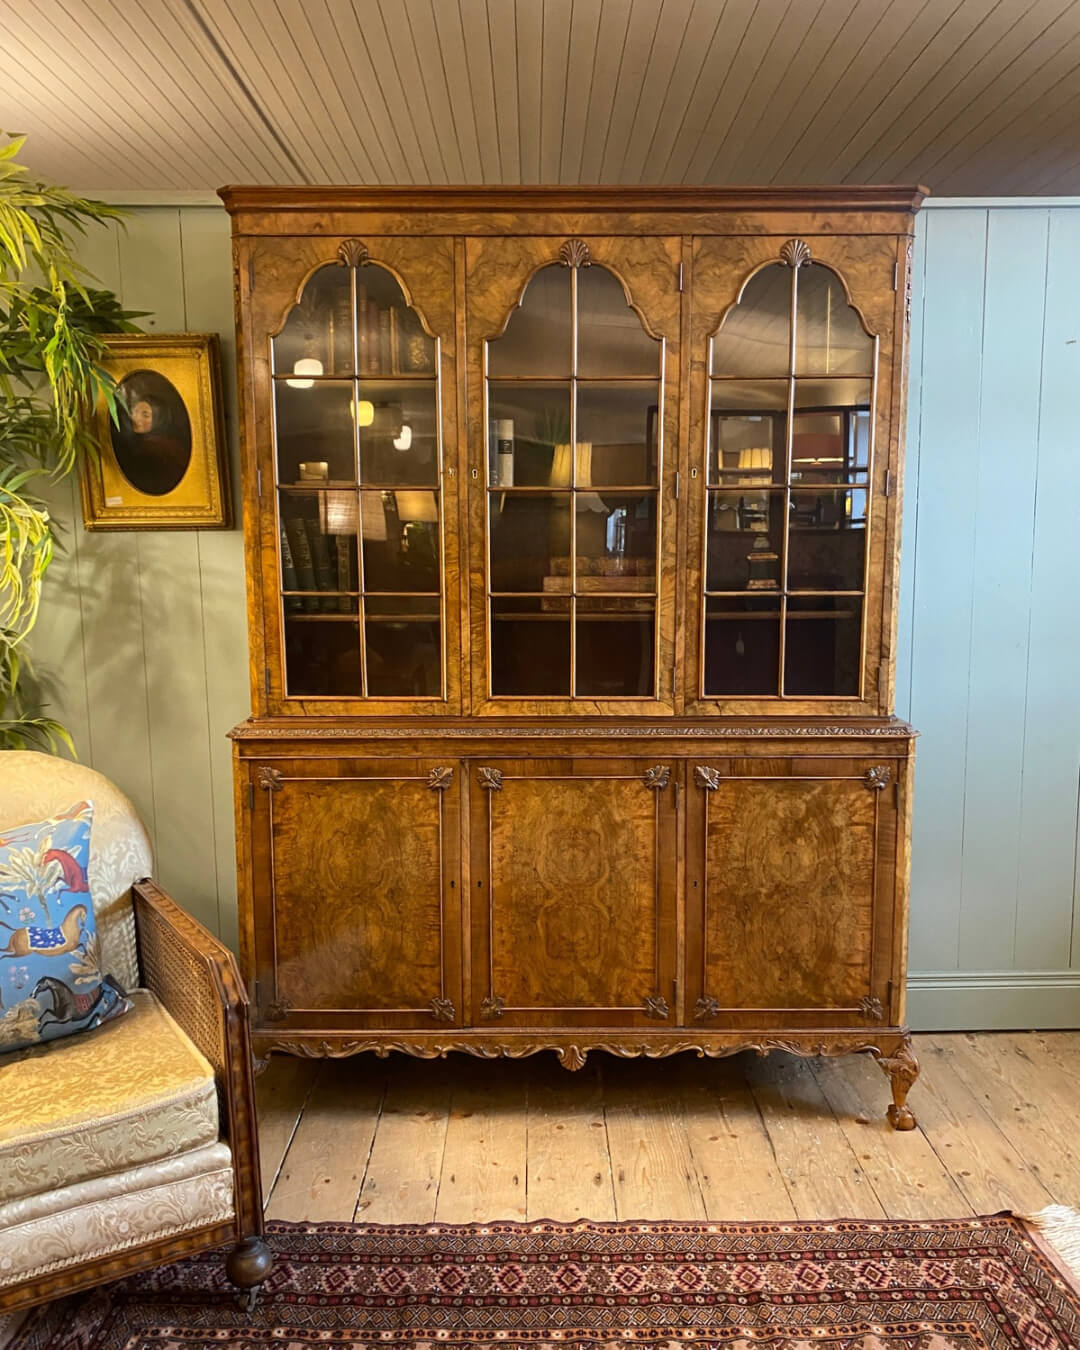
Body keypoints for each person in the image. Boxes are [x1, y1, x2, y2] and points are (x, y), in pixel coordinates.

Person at [110, 371, 192, 496]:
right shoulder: (131, 445)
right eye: (134, 412)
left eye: (145, 415)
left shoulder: (160, 448)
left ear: (159, 419)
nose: (136, 418)